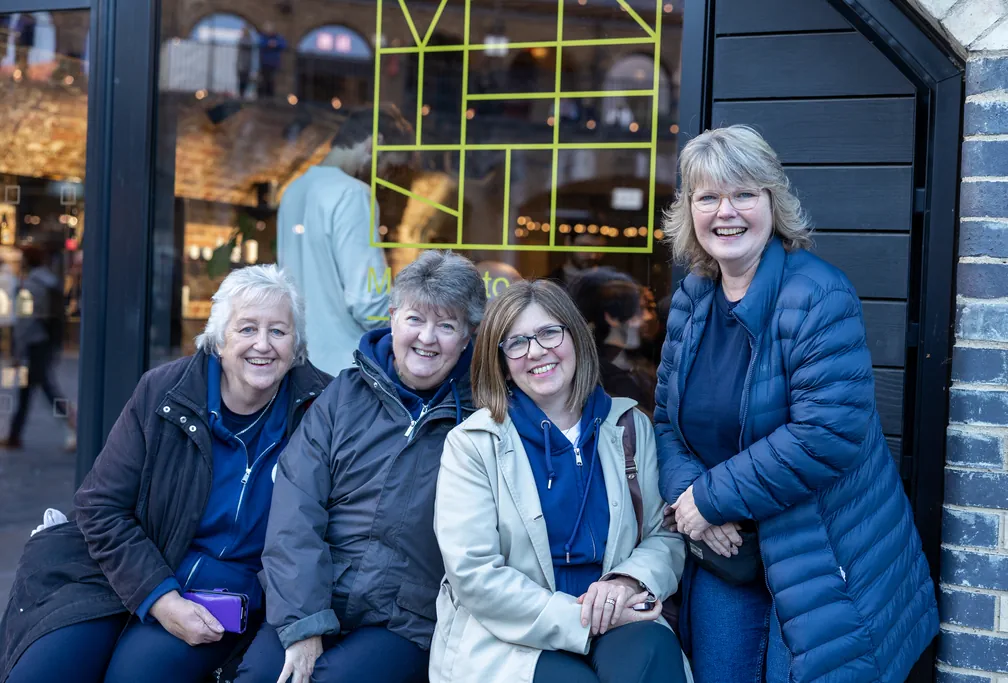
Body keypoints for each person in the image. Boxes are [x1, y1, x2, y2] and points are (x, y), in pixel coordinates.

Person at [654, 124, 938, 683]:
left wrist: (709, 498)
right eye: (707, 197)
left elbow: (825, 433)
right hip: (729, 553)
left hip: (818, 549)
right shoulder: (692, 296)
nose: (725, 212)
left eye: (744, 194)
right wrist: (693, 502)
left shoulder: (818, 292)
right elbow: (667, 421)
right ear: (689, 212)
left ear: (772, 202)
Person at [0, 265, 332, 683]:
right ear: (219, 337)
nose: (263, 345)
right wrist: (160, 599)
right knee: (43, 674)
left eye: (278, 332)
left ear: (296, 343)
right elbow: (100, 505)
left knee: (136, 675)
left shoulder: (319, 408)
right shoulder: (165, 390)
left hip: (223, 597)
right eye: (247, 328)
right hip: (124, 574)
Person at [234, 251, 486, 683]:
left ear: (467, 337)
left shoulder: (482, 414)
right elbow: (296, 509)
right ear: (392, 317)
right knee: (258, 678)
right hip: (316, 595)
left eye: (446, 325)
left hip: (407, 618)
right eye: (414, 319)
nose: (427, 338)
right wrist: (304, 623)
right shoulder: (342, 397)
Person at [430, 279, 689, 683]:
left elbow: (665, 534)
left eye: (550, 332)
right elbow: (474, 573)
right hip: (513, 634)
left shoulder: (629, 427)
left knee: (652, 656)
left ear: (577, 336)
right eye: (517, 343)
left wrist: (627, 581)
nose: (536, 351)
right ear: (502, 362)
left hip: (618, 615)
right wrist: (580, 619)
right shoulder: (473, 445)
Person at [276, 105, 413, 376]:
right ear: (375, 143)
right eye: (389, 163)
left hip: (298, 362)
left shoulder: (293, 190)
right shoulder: (352, 194)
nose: (384, 175)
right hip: (345, 367)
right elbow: (368, 302)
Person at [3, 245, 76, 450]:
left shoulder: (31, 285)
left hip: (35, 342)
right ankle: (14, 435)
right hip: (45, 341)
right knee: (30, 389)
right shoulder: (49, 281)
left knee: (45, 389)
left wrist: (17, 350)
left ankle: (73, 423)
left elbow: (26, 320)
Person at [569, 268, 655, 415]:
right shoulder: (600, 375)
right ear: (611, 317)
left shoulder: (638, 361)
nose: (647, 317)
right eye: (638, 310)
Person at [257, 22, 286, 97]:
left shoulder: (277, 37)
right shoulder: (263, 37)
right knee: (264, 81)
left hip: (274, 64)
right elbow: (260, 43)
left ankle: (270, 97)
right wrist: (269, 43)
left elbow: (283, 44)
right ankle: (263, 97)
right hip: (264, 63)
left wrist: (275, 44)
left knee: (272, 81)